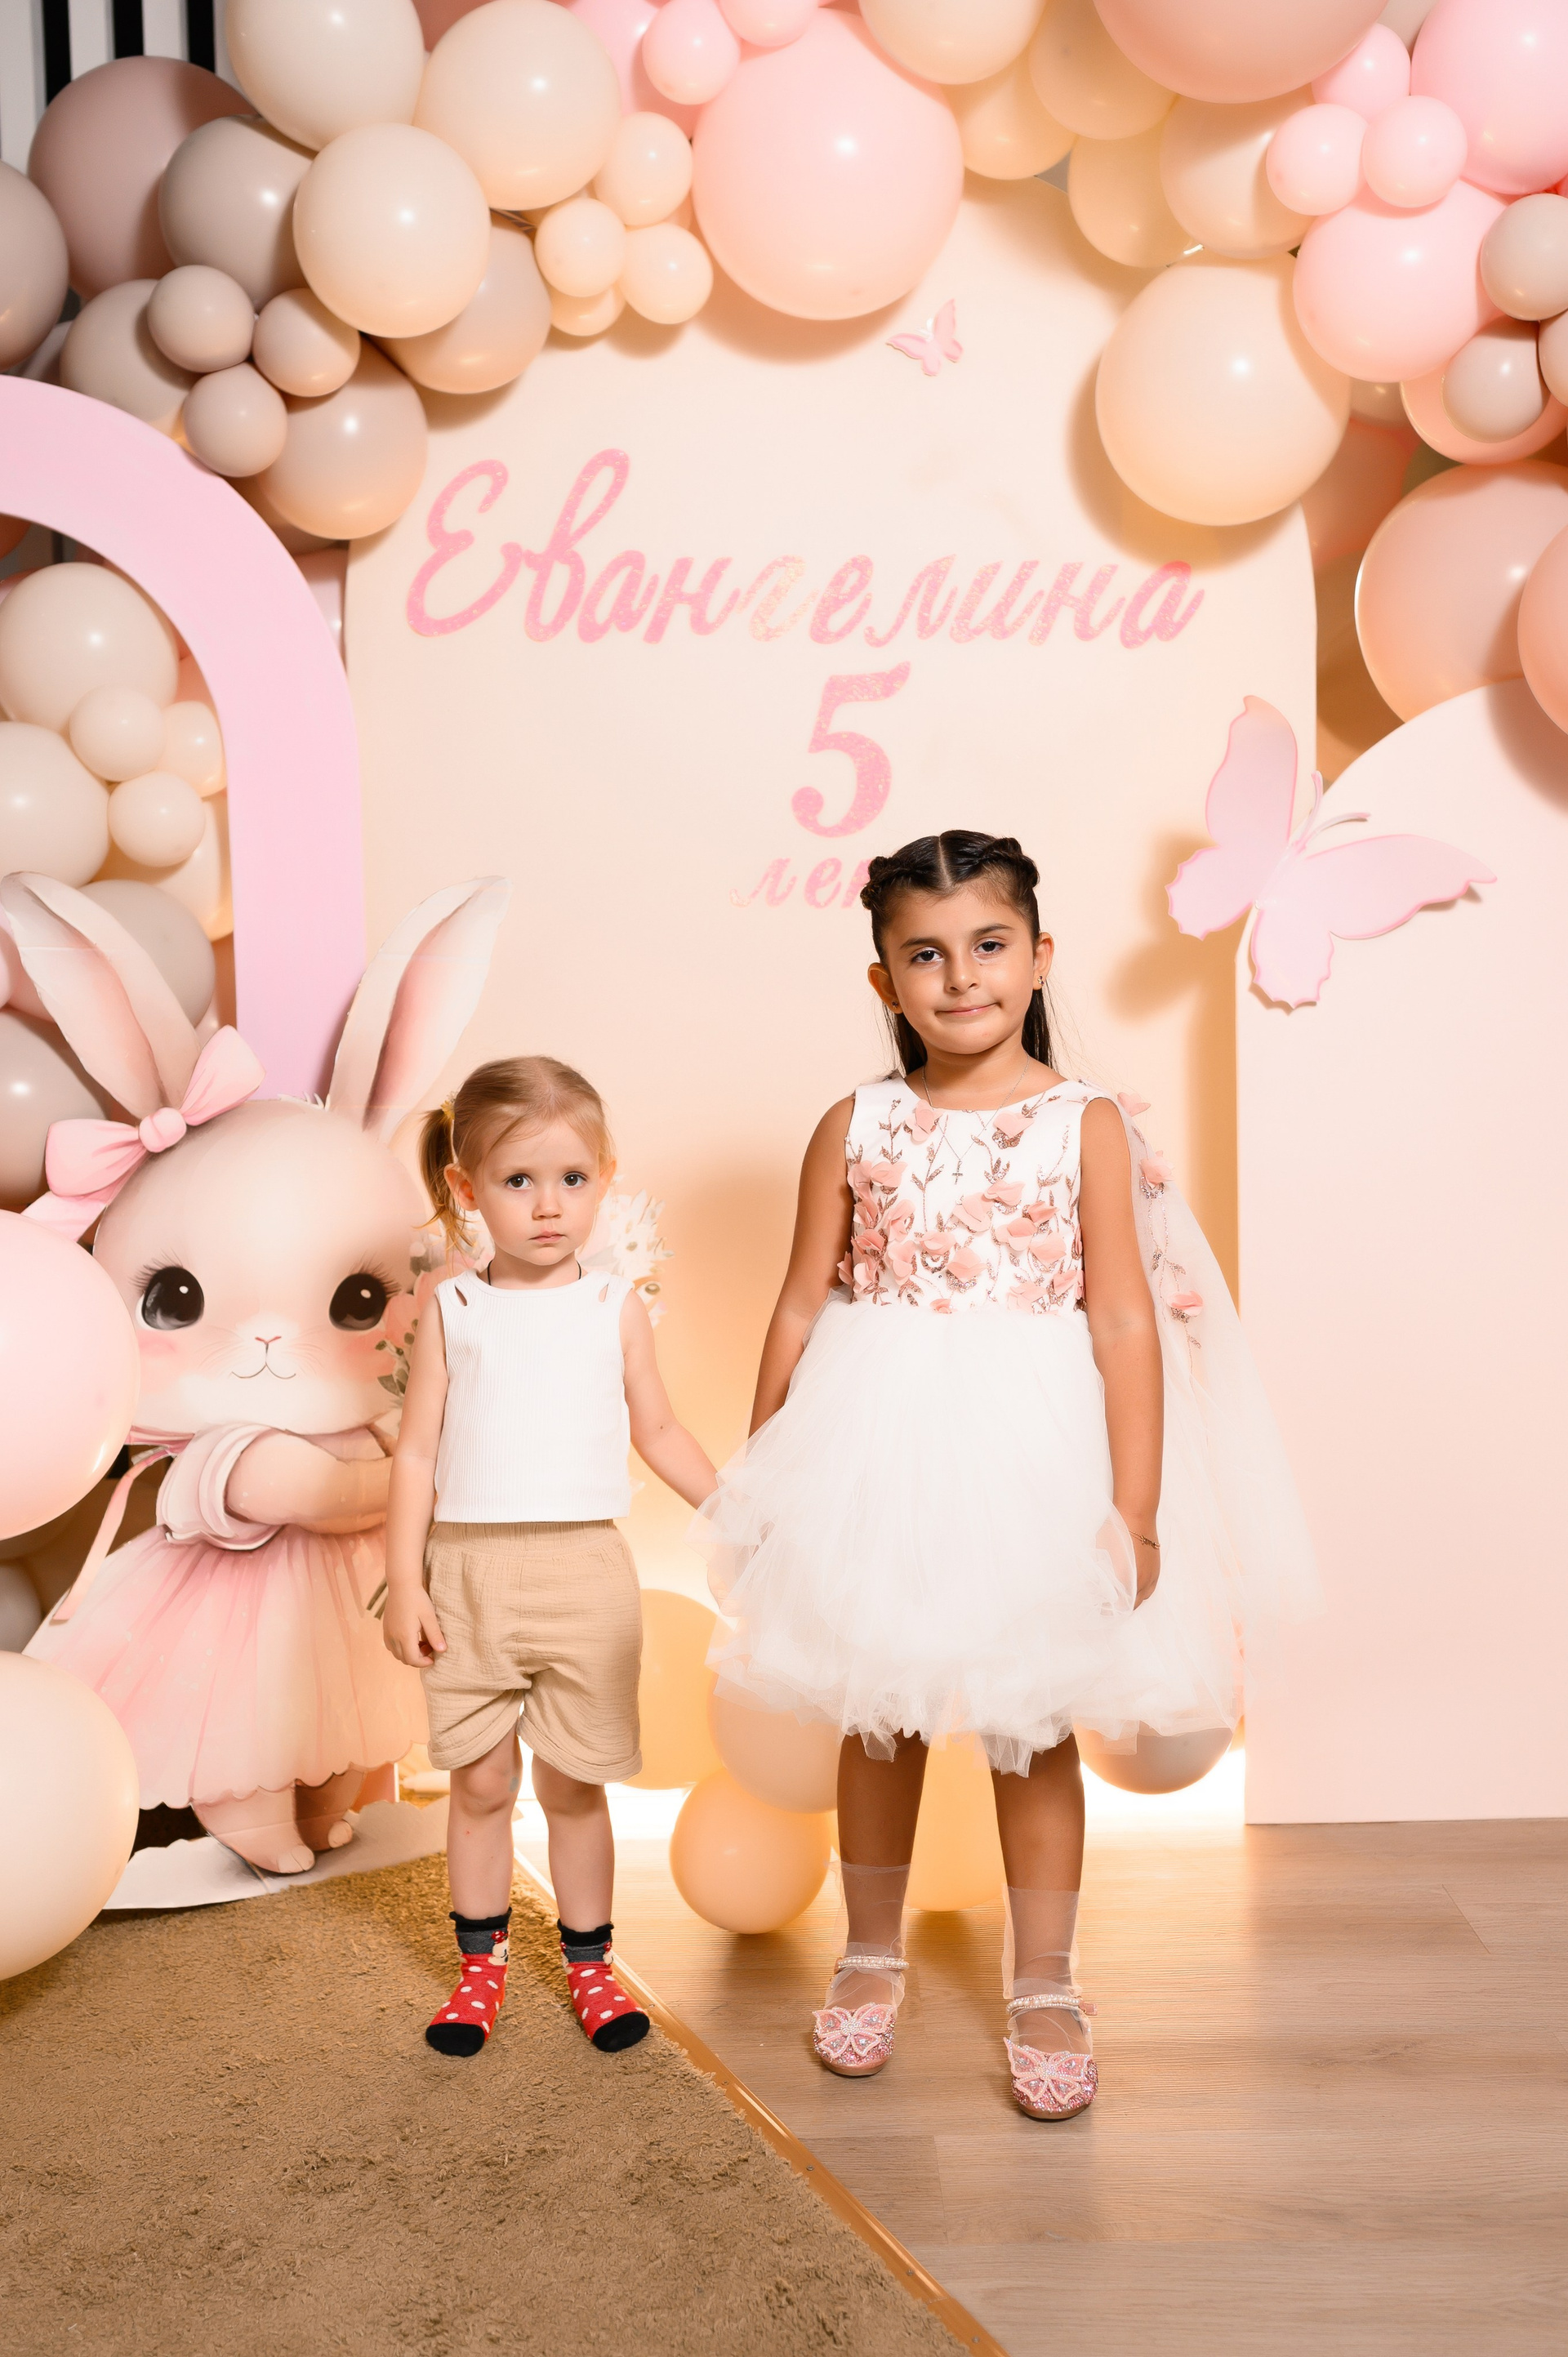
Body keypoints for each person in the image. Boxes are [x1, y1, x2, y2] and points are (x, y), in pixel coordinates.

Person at [694, 832, 1313, 2119]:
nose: (961, 976)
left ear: (1039, 958)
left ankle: (1044, 1977)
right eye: (925, 955)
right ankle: (871, 1952)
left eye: (988, 945)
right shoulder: (855, 1122)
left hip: (1034, 1452)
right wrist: (761, 1481)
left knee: (1032, 1726)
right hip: (876, 1449)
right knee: (878, 1709)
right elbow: (802, 1301)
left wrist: (1134, 1509)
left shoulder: (1084, 1123)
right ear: (885, 981)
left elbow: (1124, 1320)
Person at [384, 1057, 716, 2059]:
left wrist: (737, 1511)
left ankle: (591, 1965)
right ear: (465, 1188)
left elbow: (660, 1430)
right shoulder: (453, 1310)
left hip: (586, 1578)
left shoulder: (613, 1305)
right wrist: (404, 1583)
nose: (546, 1206)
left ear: (605, 1177)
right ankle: (478, 1969)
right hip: (468, 1577)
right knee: (482, 1784)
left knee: (574, 1785)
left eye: (571, 1179)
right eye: (517, 1181)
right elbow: (416, 1452)